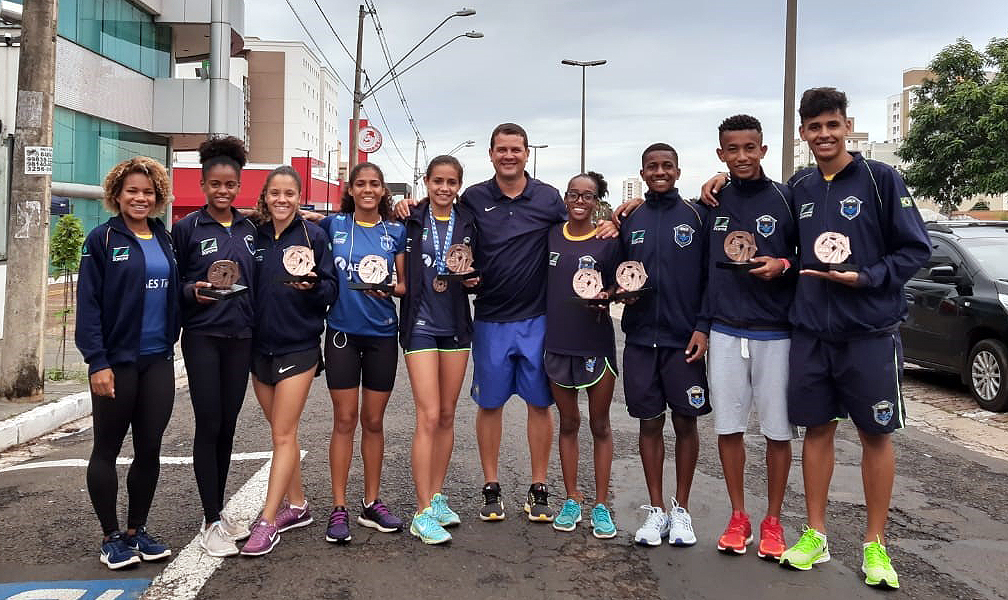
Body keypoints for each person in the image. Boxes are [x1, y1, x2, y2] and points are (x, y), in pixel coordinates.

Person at [701, 88, 930, 589]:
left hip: (869, 331)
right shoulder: (798, 187)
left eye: (832, 125)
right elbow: (786, 247)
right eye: (814, 127)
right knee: (817, 431)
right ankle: (816, 533)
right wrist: (780, 261)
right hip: (809, 332)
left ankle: (876, 545)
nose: (824, 135)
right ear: (802, 134)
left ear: (847, 125)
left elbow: (916, 249)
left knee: (876, 435)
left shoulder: (880, 178)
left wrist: (867, 277)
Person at [76, 156, 180, 569]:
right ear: (117, 195)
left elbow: (174, 291)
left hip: (158, 359)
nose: (140, 198)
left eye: (148, 192)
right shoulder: (102, 240)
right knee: (106, 448)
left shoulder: (164, 238)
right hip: (116, 362)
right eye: (132, 191)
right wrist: (97, 361)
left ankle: (137, 530)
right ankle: (111, 537)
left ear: (158, 198)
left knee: (149, 449)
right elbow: (88, 306)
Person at [704, 115, 798, 559]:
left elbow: (804, 253)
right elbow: (703, 271)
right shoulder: (712, 201)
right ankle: (738, 516)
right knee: (729, 428)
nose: (741, 156)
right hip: (724, 331)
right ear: (721, 153)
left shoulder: (786, 197)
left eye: (750, 148)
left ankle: (773, 520)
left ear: (763, 149)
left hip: (775, 332)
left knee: (778, 432)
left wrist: (782, 264)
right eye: (732, 149)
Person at [240, 166, 337, 556]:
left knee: (283, 433)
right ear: (265, 196)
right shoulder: (252, 235)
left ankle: (267, 521)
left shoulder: (315, 236)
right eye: (275, 193)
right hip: (258, 348)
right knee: (282, 435)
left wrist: (313, 286)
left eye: (290, 194)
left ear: (300, 198)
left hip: (299, 347)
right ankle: (297, 506)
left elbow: (332, 289)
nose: (282, 200)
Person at [620, 143, 711, 548]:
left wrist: (703, 327)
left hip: (683, 340)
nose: (660, 172)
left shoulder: (697, 215)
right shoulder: (631, 218)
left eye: (666, 166)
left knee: (685, 422)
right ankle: (656, 509)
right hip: (640, 338)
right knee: (649, 422)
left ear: (677, 170)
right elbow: (617, 272)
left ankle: (682, 510)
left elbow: (711, 278)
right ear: (642, 173)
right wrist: (620, 293)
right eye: (652, 167)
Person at [171, 136, 258, 557]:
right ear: (203, 186)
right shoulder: (187, 229)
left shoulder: (250, 229)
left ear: (239, 186)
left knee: (228, 425)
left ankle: (218, 510)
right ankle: (209, 519)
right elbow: (175, 286)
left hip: (241, 338)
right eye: (215, 185)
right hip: (203, 337)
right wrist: (194, 292)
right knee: (208, 424)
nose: (223, 191)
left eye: (230, 185)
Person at [319, 162, 407, 543]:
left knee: (373, 422)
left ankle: (372, 503)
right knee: (345, 420)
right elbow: (299, 221)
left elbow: (404, 286)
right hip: (341, 333)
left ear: (383, 190)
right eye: (361, 184)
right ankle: (338, 507)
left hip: (382, 335)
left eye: (375, 184)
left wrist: (390, 288)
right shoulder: (332, 226)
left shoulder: (396, 232)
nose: (368, 189)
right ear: (350, 189)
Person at [400, 155, 479, 544]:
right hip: (419, 326)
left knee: (447, 414)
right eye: (438, 181)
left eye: (451, 182)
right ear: (427, 182)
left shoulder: (468, 222)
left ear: (458, 186)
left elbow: (480, 269)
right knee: (428, 415)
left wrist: (474, 280)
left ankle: (435, 495)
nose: (444, 188)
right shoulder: (411, 218)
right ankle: (420, 511)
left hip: (456, 326)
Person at [545, 171, 621, 539]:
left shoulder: (609, 239)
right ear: (565, 197)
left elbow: (625, 280)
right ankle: (572, 497)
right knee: (569, 423)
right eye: (573, 194)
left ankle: (602, 505)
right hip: (558, 342)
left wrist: (611, 293)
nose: (579, 201)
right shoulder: (551, 236)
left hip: (596, 344)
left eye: (587, 196)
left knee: (600, 424)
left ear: (597, 201)